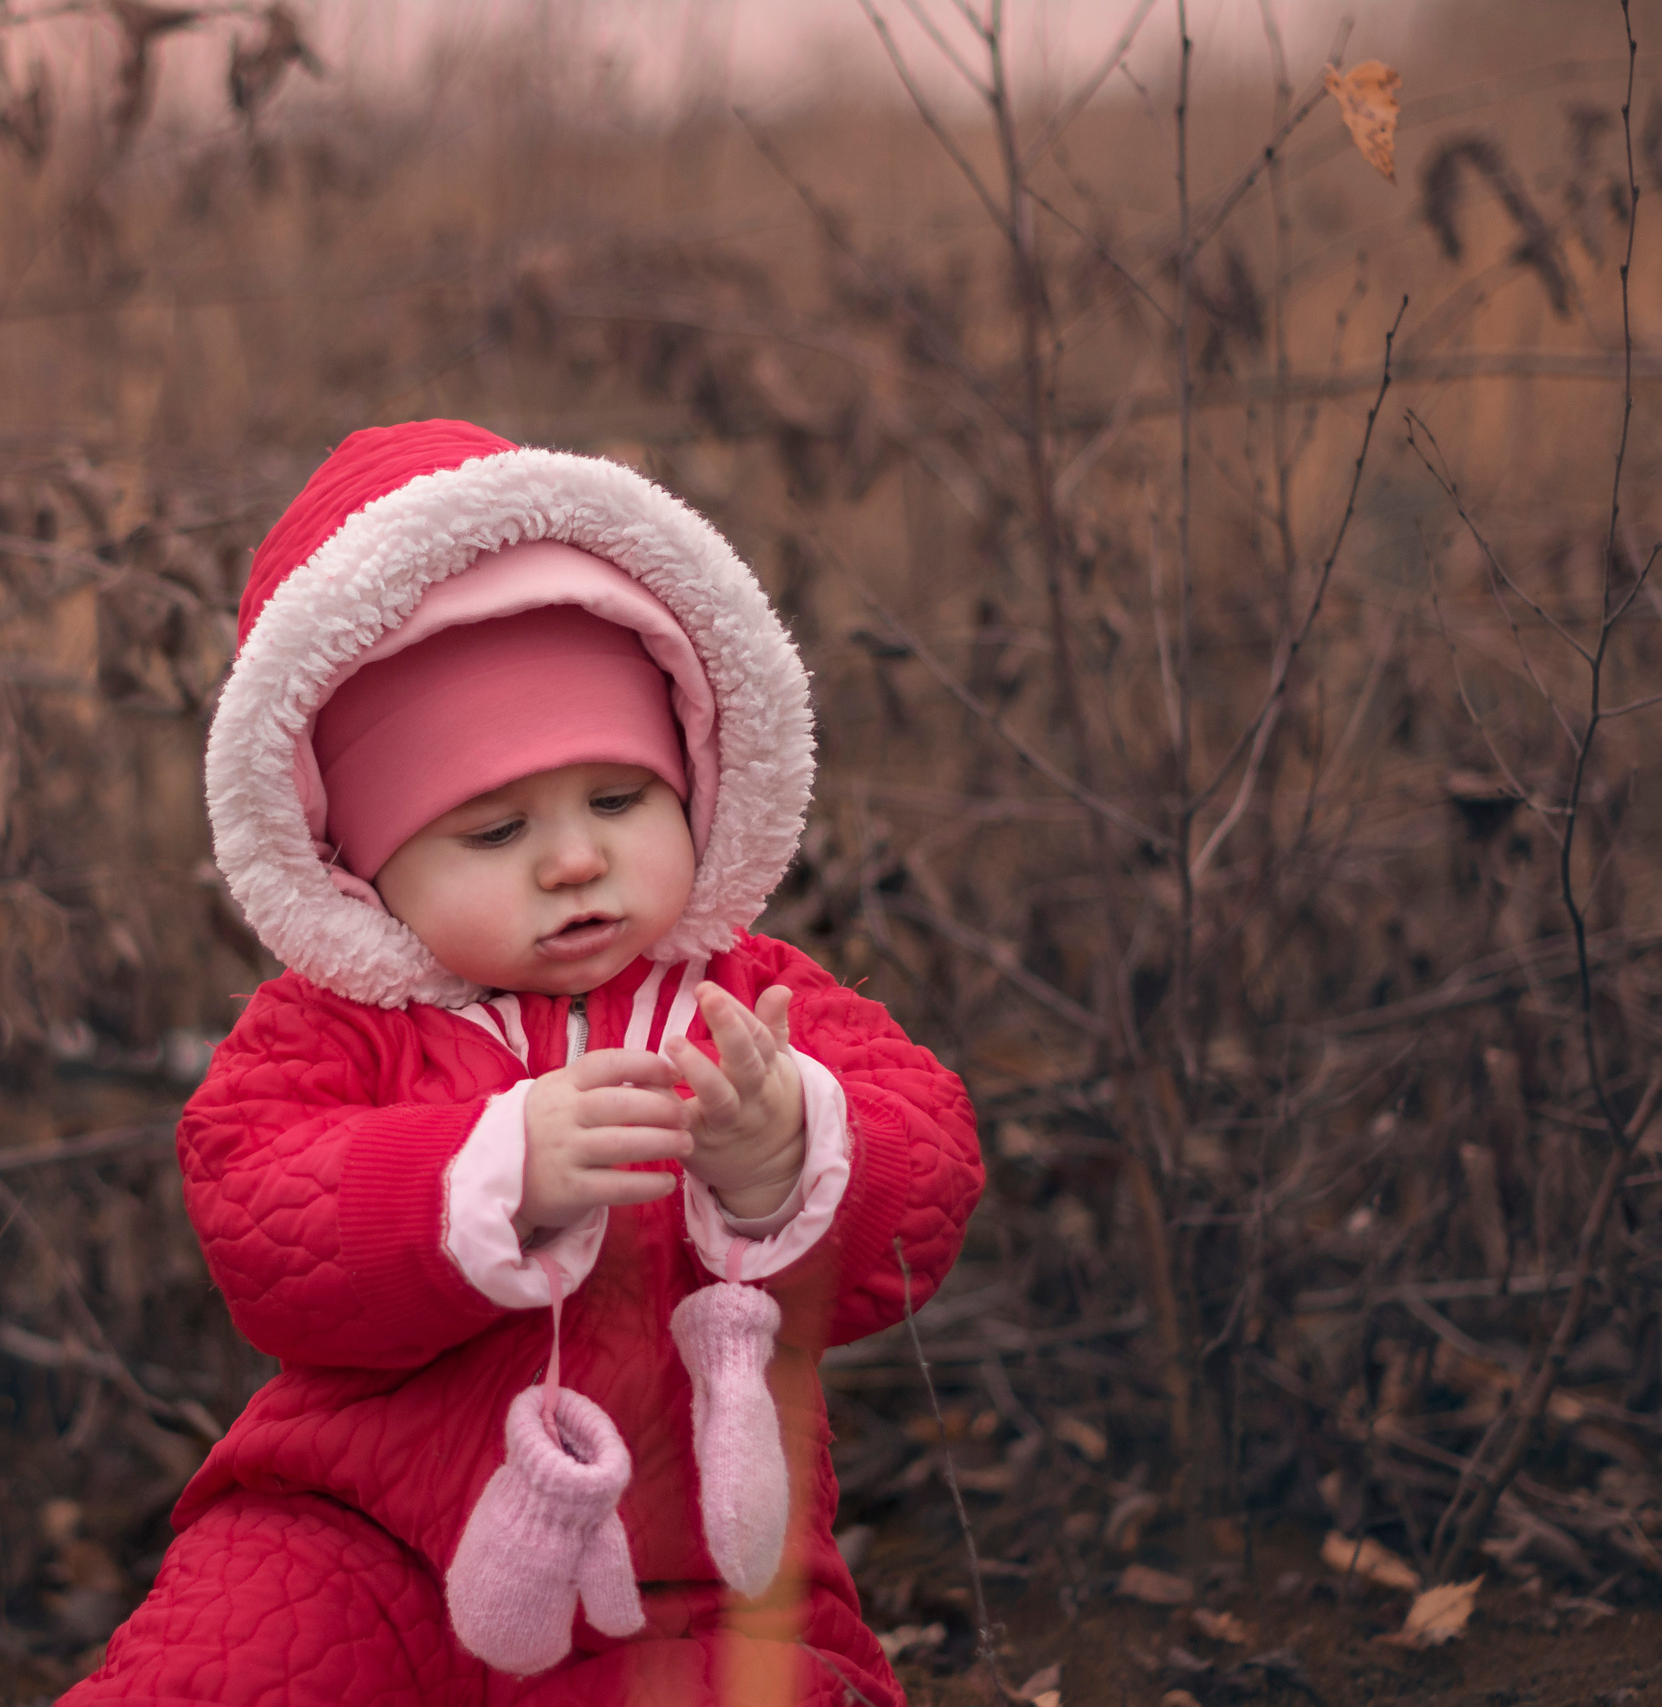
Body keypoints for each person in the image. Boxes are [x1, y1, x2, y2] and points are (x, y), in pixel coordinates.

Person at [61, 419, 982, 1707]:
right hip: (350, 1531)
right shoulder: (329, 1028)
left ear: (690, 789)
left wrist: (790, 1151)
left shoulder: (752, 1005)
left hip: (685, 1576)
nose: (572, 860)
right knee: (220, 1673)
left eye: (618, 801)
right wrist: (485, 1170)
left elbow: (925, 1178)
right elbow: (264, 1226)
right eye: (495, 829)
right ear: (365, 868)